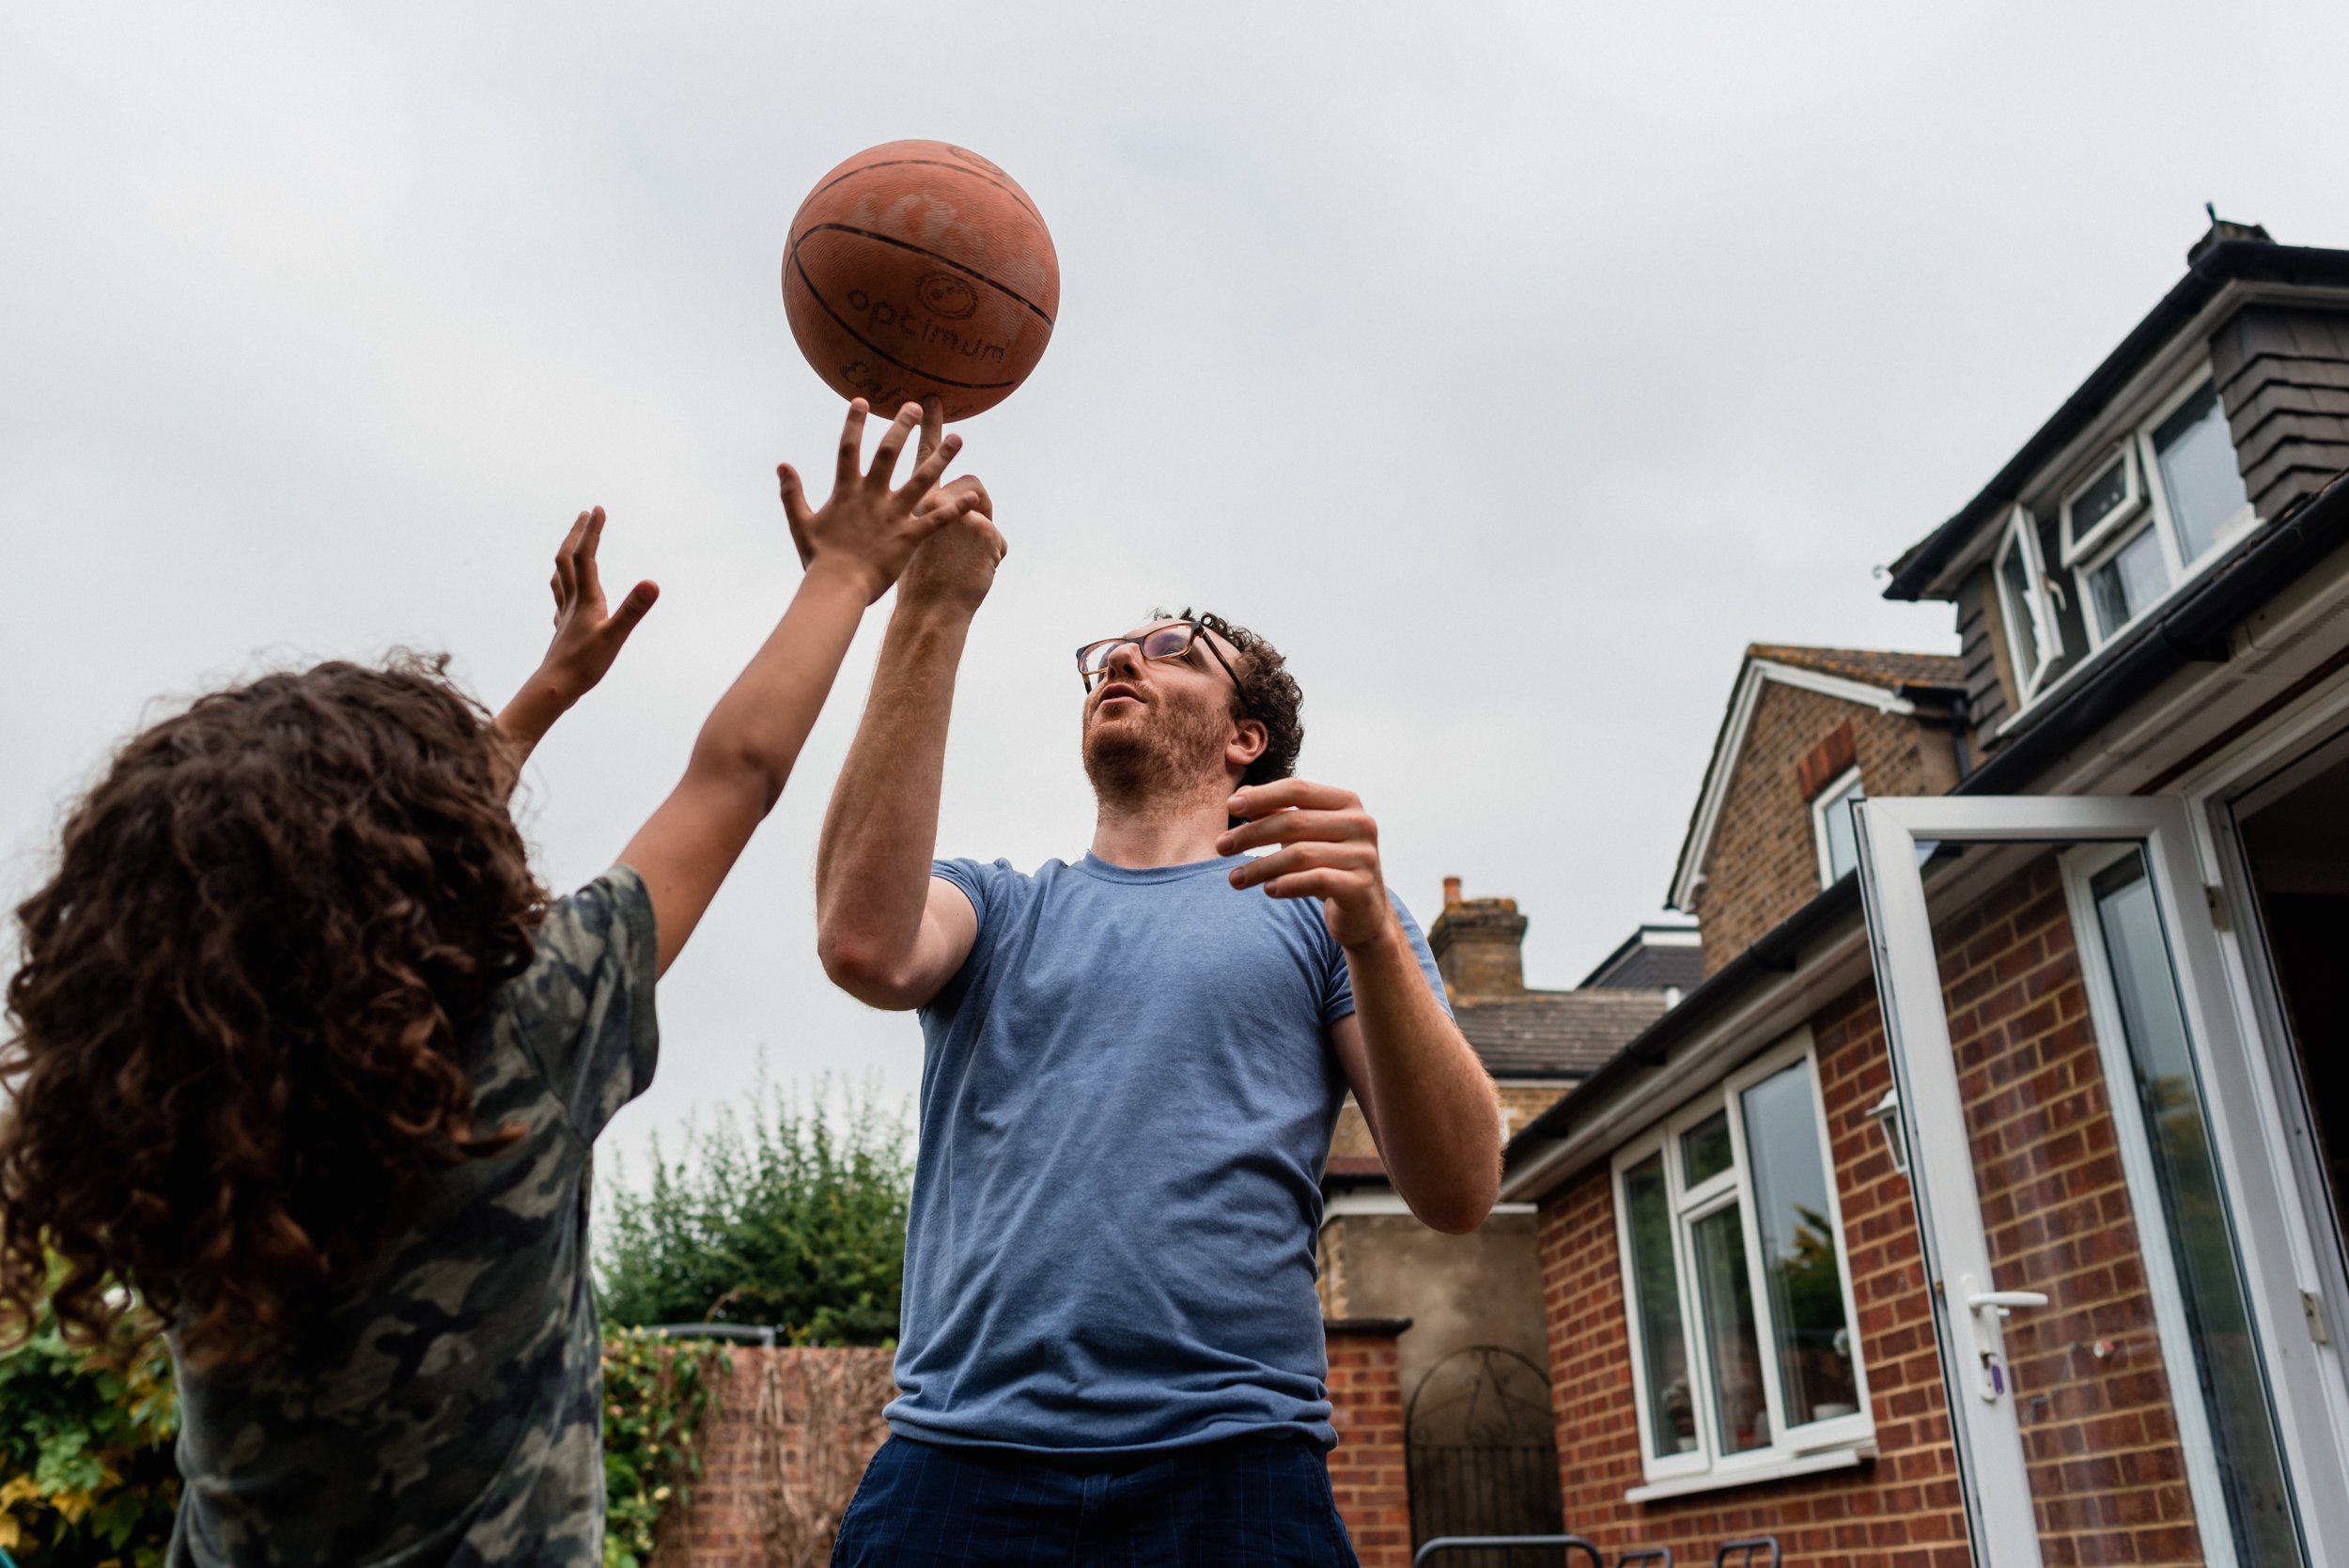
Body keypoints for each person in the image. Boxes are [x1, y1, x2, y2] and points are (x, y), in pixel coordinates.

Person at [0, 400, 976, 1568]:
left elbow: (343, 883)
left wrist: (548, 693)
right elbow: (739, 771)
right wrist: (846, 573)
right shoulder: (516, 1049)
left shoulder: (178, 1122)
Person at [815, 410, 1502, 1567]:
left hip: (1235, 1469)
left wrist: (1378, 938)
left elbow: (1459, 1189)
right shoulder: (999, 904)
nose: (1122, 659)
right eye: (1107, 655)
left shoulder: (1327, 909)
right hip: (960, 1464)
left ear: (1247, 738)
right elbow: (862, 947)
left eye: (1173, 647)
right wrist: (931, 607)